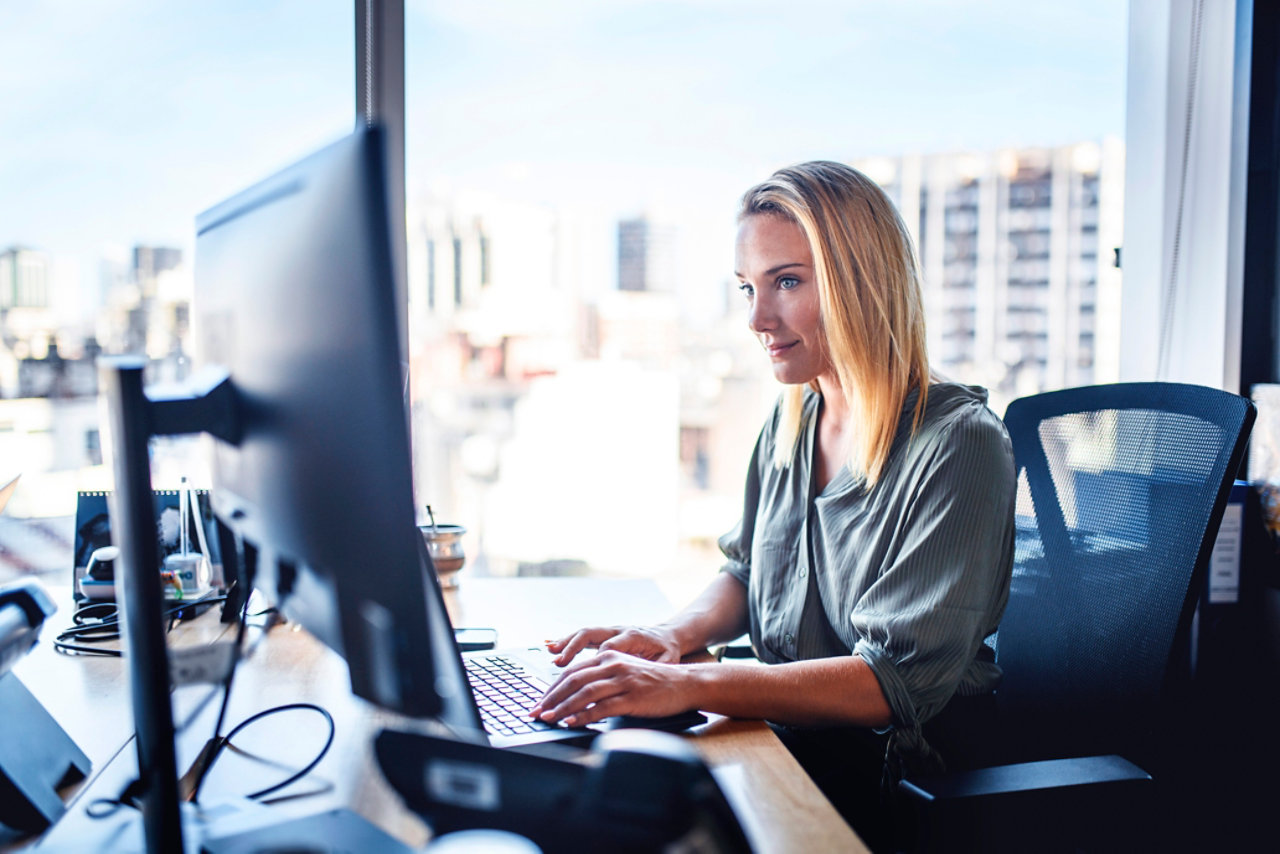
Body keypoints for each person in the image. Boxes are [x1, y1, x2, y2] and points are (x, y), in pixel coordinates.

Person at [530, 161, 1015, 848]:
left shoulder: (961, 444)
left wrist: (691, 685)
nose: (758, 318)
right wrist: (672, 639)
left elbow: (890, 684)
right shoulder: (793, 417)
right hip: (786, 744)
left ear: (861, 280)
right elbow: (745, 572)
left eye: (786, 282)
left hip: (893, 784)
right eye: (747, 289)